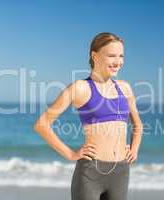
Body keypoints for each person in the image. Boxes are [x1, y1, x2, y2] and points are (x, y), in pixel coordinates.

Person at [34, 32, 143, 200]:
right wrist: (71, 154)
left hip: (121, 172)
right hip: (90, 173)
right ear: (95, 55)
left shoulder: (125, 88)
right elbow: (42, 124)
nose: (118, 61)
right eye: (111, 55)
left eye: (121, 56)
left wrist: (134, 149)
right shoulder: (80, 88)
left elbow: (138, 125)